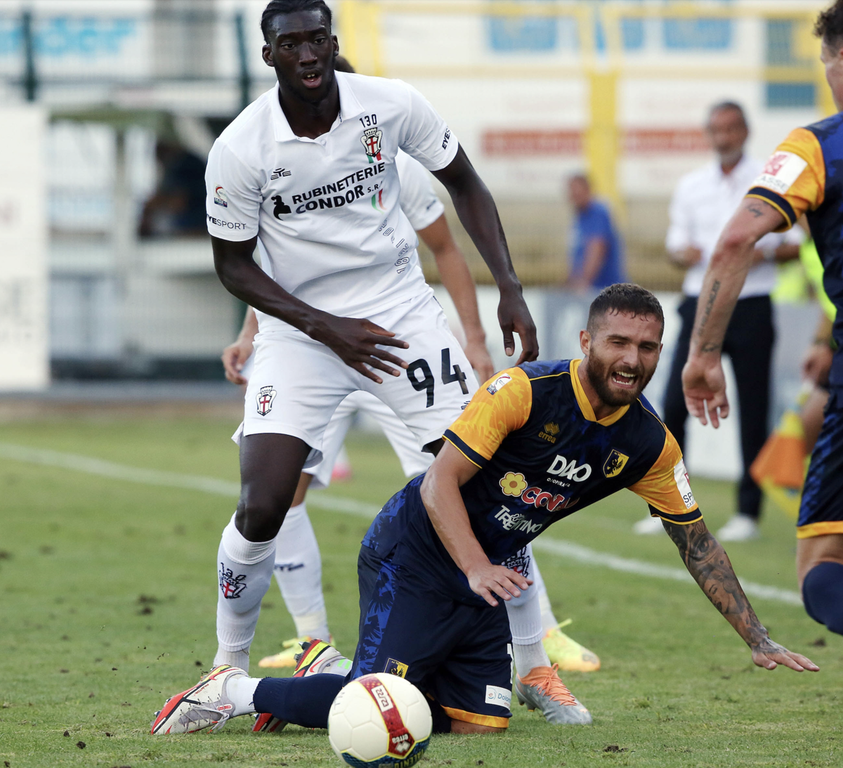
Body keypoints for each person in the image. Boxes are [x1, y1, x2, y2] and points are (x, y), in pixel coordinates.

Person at [152, 284, 817, 738]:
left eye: (646, 348)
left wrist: (757, 638)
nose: (631, 360)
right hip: (413, 553)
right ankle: (231, 693)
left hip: (484, 585)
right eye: (618, 342)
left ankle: (322, 681)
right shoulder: (522, 391)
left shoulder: (649, 443)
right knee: (380, 703)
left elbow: (697, 544)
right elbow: (438, 483)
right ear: (587, 339)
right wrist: (473, 566)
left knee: (477, 726)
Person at [206, 0, 538, 693]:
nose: (307, 55)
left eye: (317, 40)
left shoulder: (391, 105)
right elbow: (233, 266)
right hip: (302, 334)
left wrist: (507, 287)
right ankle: (226, 669)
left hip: (400, 318)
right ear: (268, 55)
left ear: (333, 43)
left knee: (480, 484)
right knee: (263, 504)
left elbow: (465, 183)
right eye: (290, 44)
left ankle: (536, 665)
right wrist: (324, 328)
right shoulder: (240, 148)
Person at [222, 150, 599, 679]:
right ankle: (311, 639)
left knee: (478, 480)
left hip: (395, 345)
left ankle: (540, 637)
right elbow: (269, 262)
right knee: (278, 494)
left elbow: (444, 246)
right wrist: (250, 334)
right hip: (308, 347)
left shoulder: (391, 161)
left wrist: (473, 337)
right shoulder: (274, 160)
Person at [682, 0, 843, 638]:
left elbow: (734, 241)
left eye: (826, 61)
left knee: (821, 565)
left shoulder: (817, 147)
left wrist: (702, 353)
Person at [633, 102, 803, 541]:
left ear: (744, 131)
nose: (723, 137)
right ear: (709, 134)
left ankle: (748, 513)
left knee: (753, 408)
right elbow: (674, 245)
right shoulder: (692, 185)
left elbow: (796, 243)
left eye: (730, 129)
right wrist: (682, 253)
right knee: (674, 404)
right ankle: (670, 503)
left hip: (751, 303)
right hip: (701, 302)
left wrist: (761, 251)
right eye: (716, 130)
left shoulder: (768, 179)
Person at [565, 174, 626, 293]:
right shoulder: (581, 216)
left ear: (587, 190)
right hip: (592, 289)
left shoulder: (597, 212)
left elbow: (597, 248)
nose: (573, 197)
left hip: (604, 290)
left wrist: (583, 282)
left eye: (577, 193)